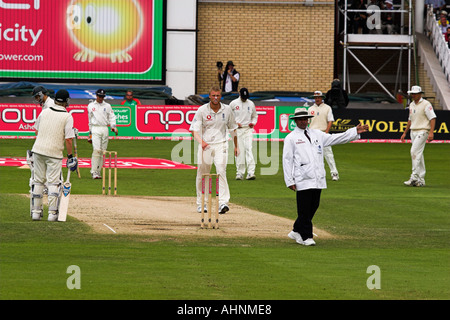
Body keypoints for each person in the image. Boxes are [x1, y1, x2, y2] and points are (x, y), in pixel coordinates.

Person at [283, 108, 369, 246]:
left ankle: (296, 230)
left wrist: (354, 132)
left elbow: (335, 138)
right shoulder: (291, 138)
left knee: (313, 206)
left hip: (317, 177)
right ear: (295, 121)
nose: (303, 121)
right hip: (302, 177)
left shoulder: (317, 134)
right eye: (300, 119)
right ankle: (306, 237)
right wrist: (289, 180)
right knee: (304, 209)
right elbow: (287, 161)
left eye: (305, 119)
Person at [190, 86, 239, 214]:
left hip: (221, 144)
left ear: (220, 96)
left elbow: (233, 129)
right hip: (205, 145)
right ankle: (202, 204)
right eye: (213, 95)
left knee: (221, 171)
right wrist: (202, 142)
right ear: (209, 96)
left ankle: (223, 203)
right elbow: (194, 131)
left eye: (218, 95)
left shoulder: (227, 110)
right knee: (202, 173)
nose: (216, 98)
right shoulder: (202, 110)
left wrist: (236, 146)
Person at [30, 89, 78, 221]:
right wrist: (70, 157)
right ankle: (52, 213)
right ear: (67, 101)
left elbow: (37, 131)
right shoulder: (67, 116)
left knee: (38, 181)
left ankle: (36, 212)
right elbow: (68, 139)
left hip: (38, 150)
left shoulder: (44, 112)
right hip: (54, 153)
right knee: (53, 183)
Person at [400, 86, 437, 187]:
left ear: (420, 94)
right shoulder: (411, 104)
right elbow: (410, 120)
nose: (413, 95)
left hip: (423, 130)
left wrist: (431, 132)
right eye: (412, 93)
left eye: (415, 93)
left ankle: (414, 177)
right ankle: (421, 180)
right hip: (413, 131)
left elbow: (433, 118)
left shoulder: (426, 104)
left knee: (414, 152)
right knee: (419, 155)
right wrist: (405, 133)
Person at [308, 91, 339, 181]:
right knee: (313, 155)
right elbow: (308, 123)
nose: (317, 99)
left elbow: (330, 121)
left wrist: (326, 132)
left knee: (328, 154)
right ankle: (315, 174)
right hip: (313, 134)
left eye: (319, 97)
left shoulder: (327, 108)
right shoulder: (310, 109)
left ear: (322, 98)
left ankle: (334, 173)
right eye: (316, 97)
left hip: (323, 133)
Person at [87, 89, 118, 179]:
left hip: (105, 128)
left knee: (103, 151)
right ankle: (93, 172)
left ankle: (98, 171)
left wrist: (113, 126)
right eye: (100, 96)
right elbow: (90, 120)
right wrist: (90, 133)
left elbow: (112, 117)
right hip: (95, 128)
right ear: (96, 96)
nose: (101, 98)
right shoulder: (91, 105)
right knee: (97, 150)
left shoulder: (107, 106)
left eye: (103, 96)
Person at [229, 88, 258, 180]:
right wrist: (235, 123)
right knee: (239, 151)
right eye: (243, 97)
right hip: (237, 130)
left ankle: (251, 173)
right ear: (239, 94)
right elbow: (228, 117)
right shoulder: (233, 103)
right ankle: (240, 173)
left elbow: (254, 116)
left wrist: (253, 123)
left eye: (246, 97)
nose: (245, 99)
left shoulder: (251, 103)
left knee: (249, 149)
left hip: (248, 129)